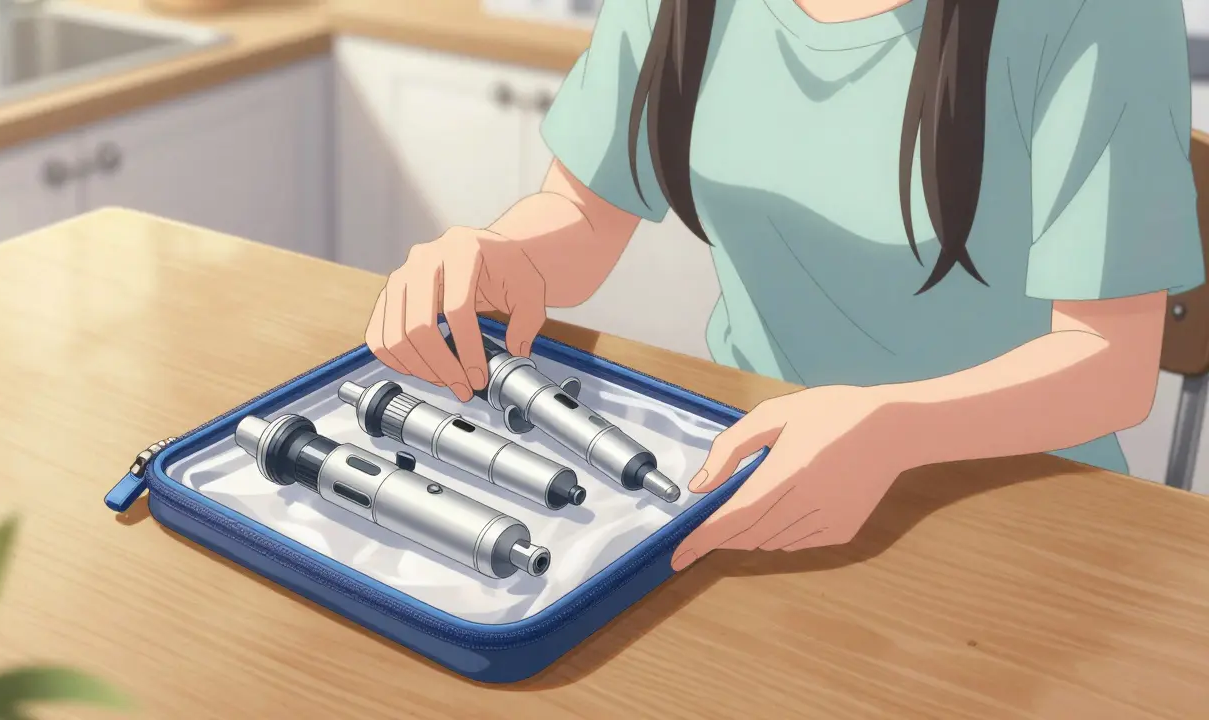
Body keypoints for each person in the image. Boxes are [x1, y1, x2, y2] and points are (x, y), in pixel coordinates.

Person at [364, 0, 1204, 572]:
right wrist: (502, 254)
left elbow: (1110, 363)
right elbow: (582, 213)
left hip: (1019, 513)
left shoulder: (1097, 13)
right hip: (747, 476)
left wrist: (890, 430)